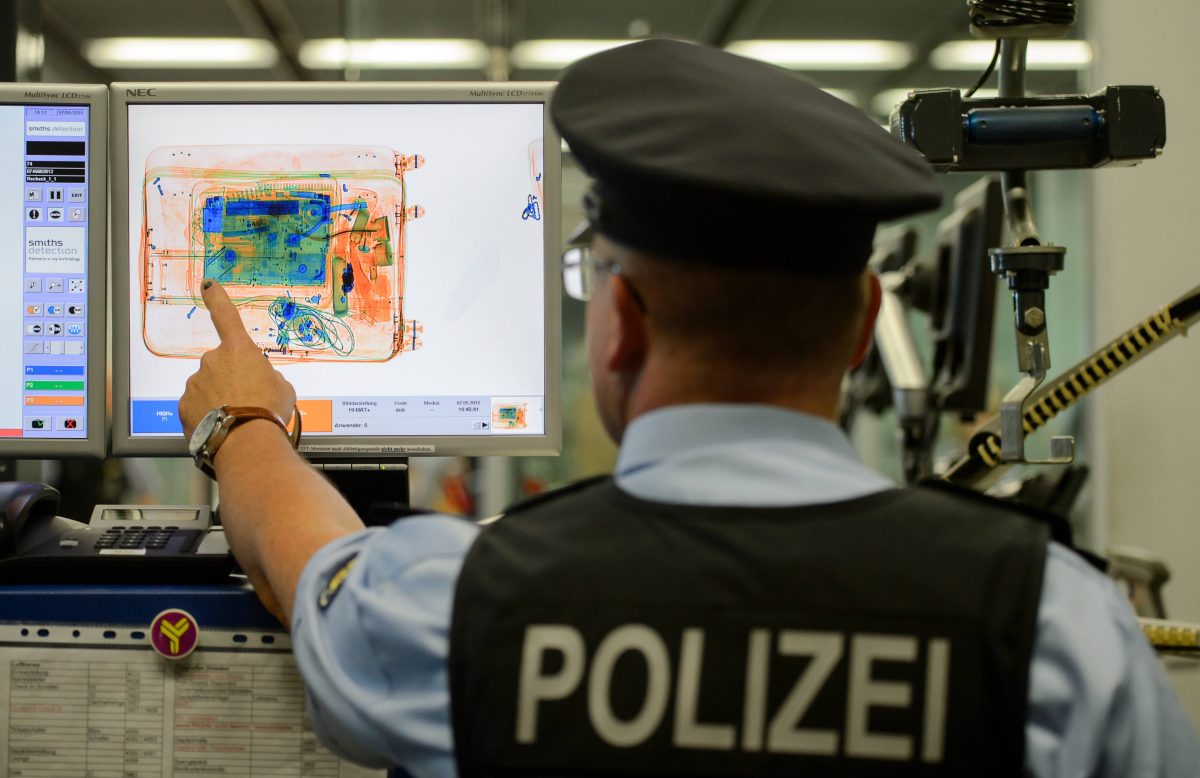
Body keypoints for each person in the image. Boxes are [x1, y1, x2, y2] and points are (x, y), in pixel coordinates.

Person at [178, 38, 1198, 778]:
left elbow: (309, 561)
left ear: (620, 320)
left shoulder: (468, 602)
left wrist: (243, 425)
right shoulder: (1059, 626)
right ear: (862, 326)